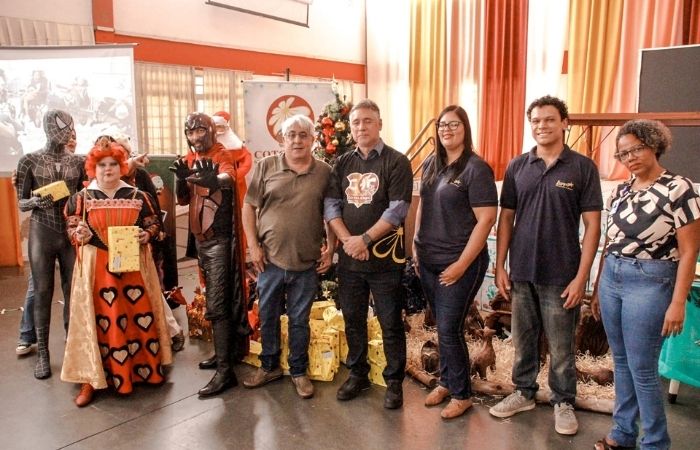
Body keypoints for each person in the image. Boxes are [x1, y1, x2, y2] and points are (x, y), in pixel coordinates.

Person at [489, 95, 602, 435]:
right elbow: (506, 218)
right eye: (536, 120)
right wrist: (500, 265)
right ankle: (523, 392)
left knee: (562, 346)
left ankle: (563, 401)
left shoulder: (582, 167)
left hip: (562, 274)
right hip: (522, 271)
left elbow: (593, 226)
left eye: (550, 119)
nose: (542, 125)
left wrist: (582, 277)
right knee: (523, 340)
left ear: (564, 123)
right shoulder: (517, 166)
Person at [590, 120, 700, 450]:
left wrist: (678, 302)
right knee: (621, 362)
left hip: (651, 281)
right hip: (612, 277)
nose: (630, 157)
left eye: (636, 149)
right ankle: (623, 433)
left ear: (654, 145)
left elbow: (690, 250)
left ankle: (655, 442)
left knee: (643, 368)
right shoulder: (621, 190)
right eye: (623, 153)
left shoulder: (679, 188)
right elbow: (610, 240)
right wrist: (598, 287)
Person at [61, 137, 172, 407]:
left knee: (135, 315)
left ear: (121, 166)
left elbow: (153, 223)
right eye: (102, 165)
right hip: (96, 270)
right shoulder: (82, 199)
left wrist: (147, 234)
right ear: (93, 168)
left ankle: (142, 369)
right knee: (97, 319)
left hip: (132, 269)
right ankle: (91, 378)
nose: (107, 169)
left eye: (113, 164)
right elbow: (72, 229)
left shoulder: (137, 196)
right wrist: (78, 234)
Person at [325, 99, 413, 409]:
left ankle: (394, 381)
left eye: (367, 121)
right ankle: (358, 374)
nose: (361, 127)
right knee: (353, 319)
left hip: (386, 261)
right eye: (356, 122)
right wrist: (348, 241)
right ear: (350, 128)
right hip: (350, 262)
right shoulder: (342, 163)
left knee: (390, 322)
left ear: (379, 124)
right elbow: (331, 206)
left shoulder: (396, 162)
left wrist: (364, 240)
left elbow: (397, 209)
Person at [413, 105, 497, 419]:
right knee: (442, 324)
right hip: (428, 259)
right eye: (442, 125)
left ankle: (462, 394)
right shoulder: (430, 163)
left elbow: (487, 219)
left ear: (465, 129)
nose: (447, 130)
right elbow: (422, 205)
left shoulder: (476, 169)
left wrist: (462, 264)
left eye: (454, 124)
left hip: (460, 262)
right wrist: (416, 244)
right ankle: (447, 381)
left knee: (449, 328)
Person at [241, 114, 334, 399]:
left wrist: (332, 248)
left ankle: (298, 371)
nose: (296, 140)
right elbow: (248, 207)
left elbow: (332, 212)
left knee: (299, 320)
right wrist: (253, 245)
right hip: (268, 260)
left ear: (312, 140)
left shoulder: (324, 172)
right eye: (291, 135)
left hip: (306, 262)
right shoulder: (266, 166)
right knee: (267, 315)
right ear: (282, 139)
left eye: (303, 135)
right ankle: (269, 366)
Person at [169, 112, 250, 397]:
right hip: (201, 242)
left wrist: (215, 179)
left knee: (218, 304)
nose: (195, 137)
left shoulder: (220, 153)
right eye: (191, 132)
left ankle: (226, 371)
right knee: (215, 301)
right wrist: (181, 179)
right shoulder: (190, 158)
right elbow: (183, 198)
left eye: (200, 131)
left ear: (210, 131)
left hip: (219, 241)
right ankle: (225, 355)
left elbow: (230, 176)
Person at [15, 110, 86, 379]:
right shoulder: (29, 160)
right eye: (61, 126)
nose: (66, 131)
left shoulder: (79, 161)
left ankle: (72, 347)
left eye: (69, 126)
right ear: (47, 127)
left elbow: (85, 194)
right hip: (41, 229)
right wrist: (35, 201)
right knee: (42, 291)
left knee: (72, 290)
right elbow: (22, 202)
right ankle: (43, 354)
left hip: (68, 230)